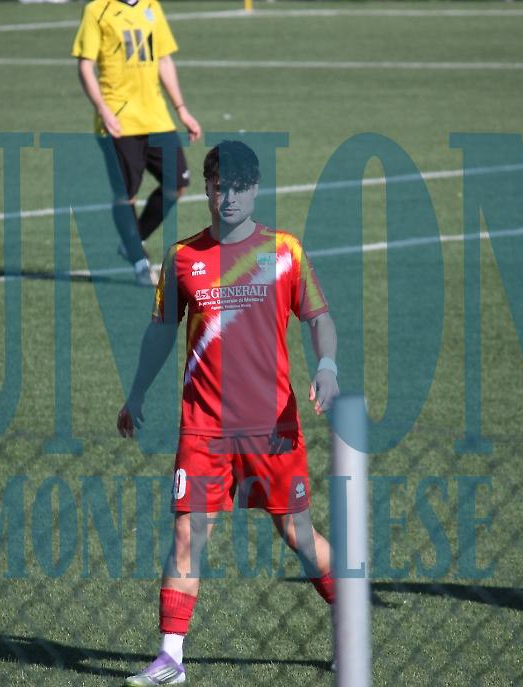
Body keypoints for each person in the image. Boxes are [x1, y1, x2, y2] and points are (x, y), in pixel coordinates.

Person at [116, 141, 340, 684]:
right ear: (209, 190)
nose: (230, 198)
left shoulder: (284, 251)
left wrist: (327, 365)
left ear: (255, 190)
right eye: (220, 187)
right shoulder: (182, 258)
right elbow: (160, 332)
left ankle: (349, 619)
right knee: (187, 535)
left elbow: (318, 317)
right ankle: (171, 658)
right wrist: (136, 392)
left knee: (299, 535)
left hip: (273, 428)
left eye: (240, 188)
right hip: (204, 428)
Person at [71, 0, 201, 287]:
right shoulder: (97, 10)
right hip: (119, 122)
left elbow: (164, 60)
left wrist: (181, 110)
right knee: (126, 194)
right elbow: (85, 66)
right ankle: (139, 262)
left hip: (157, 118)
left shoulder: (151, 6)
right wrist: (103, 109)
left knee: (177, 183)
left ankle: (131, 242)